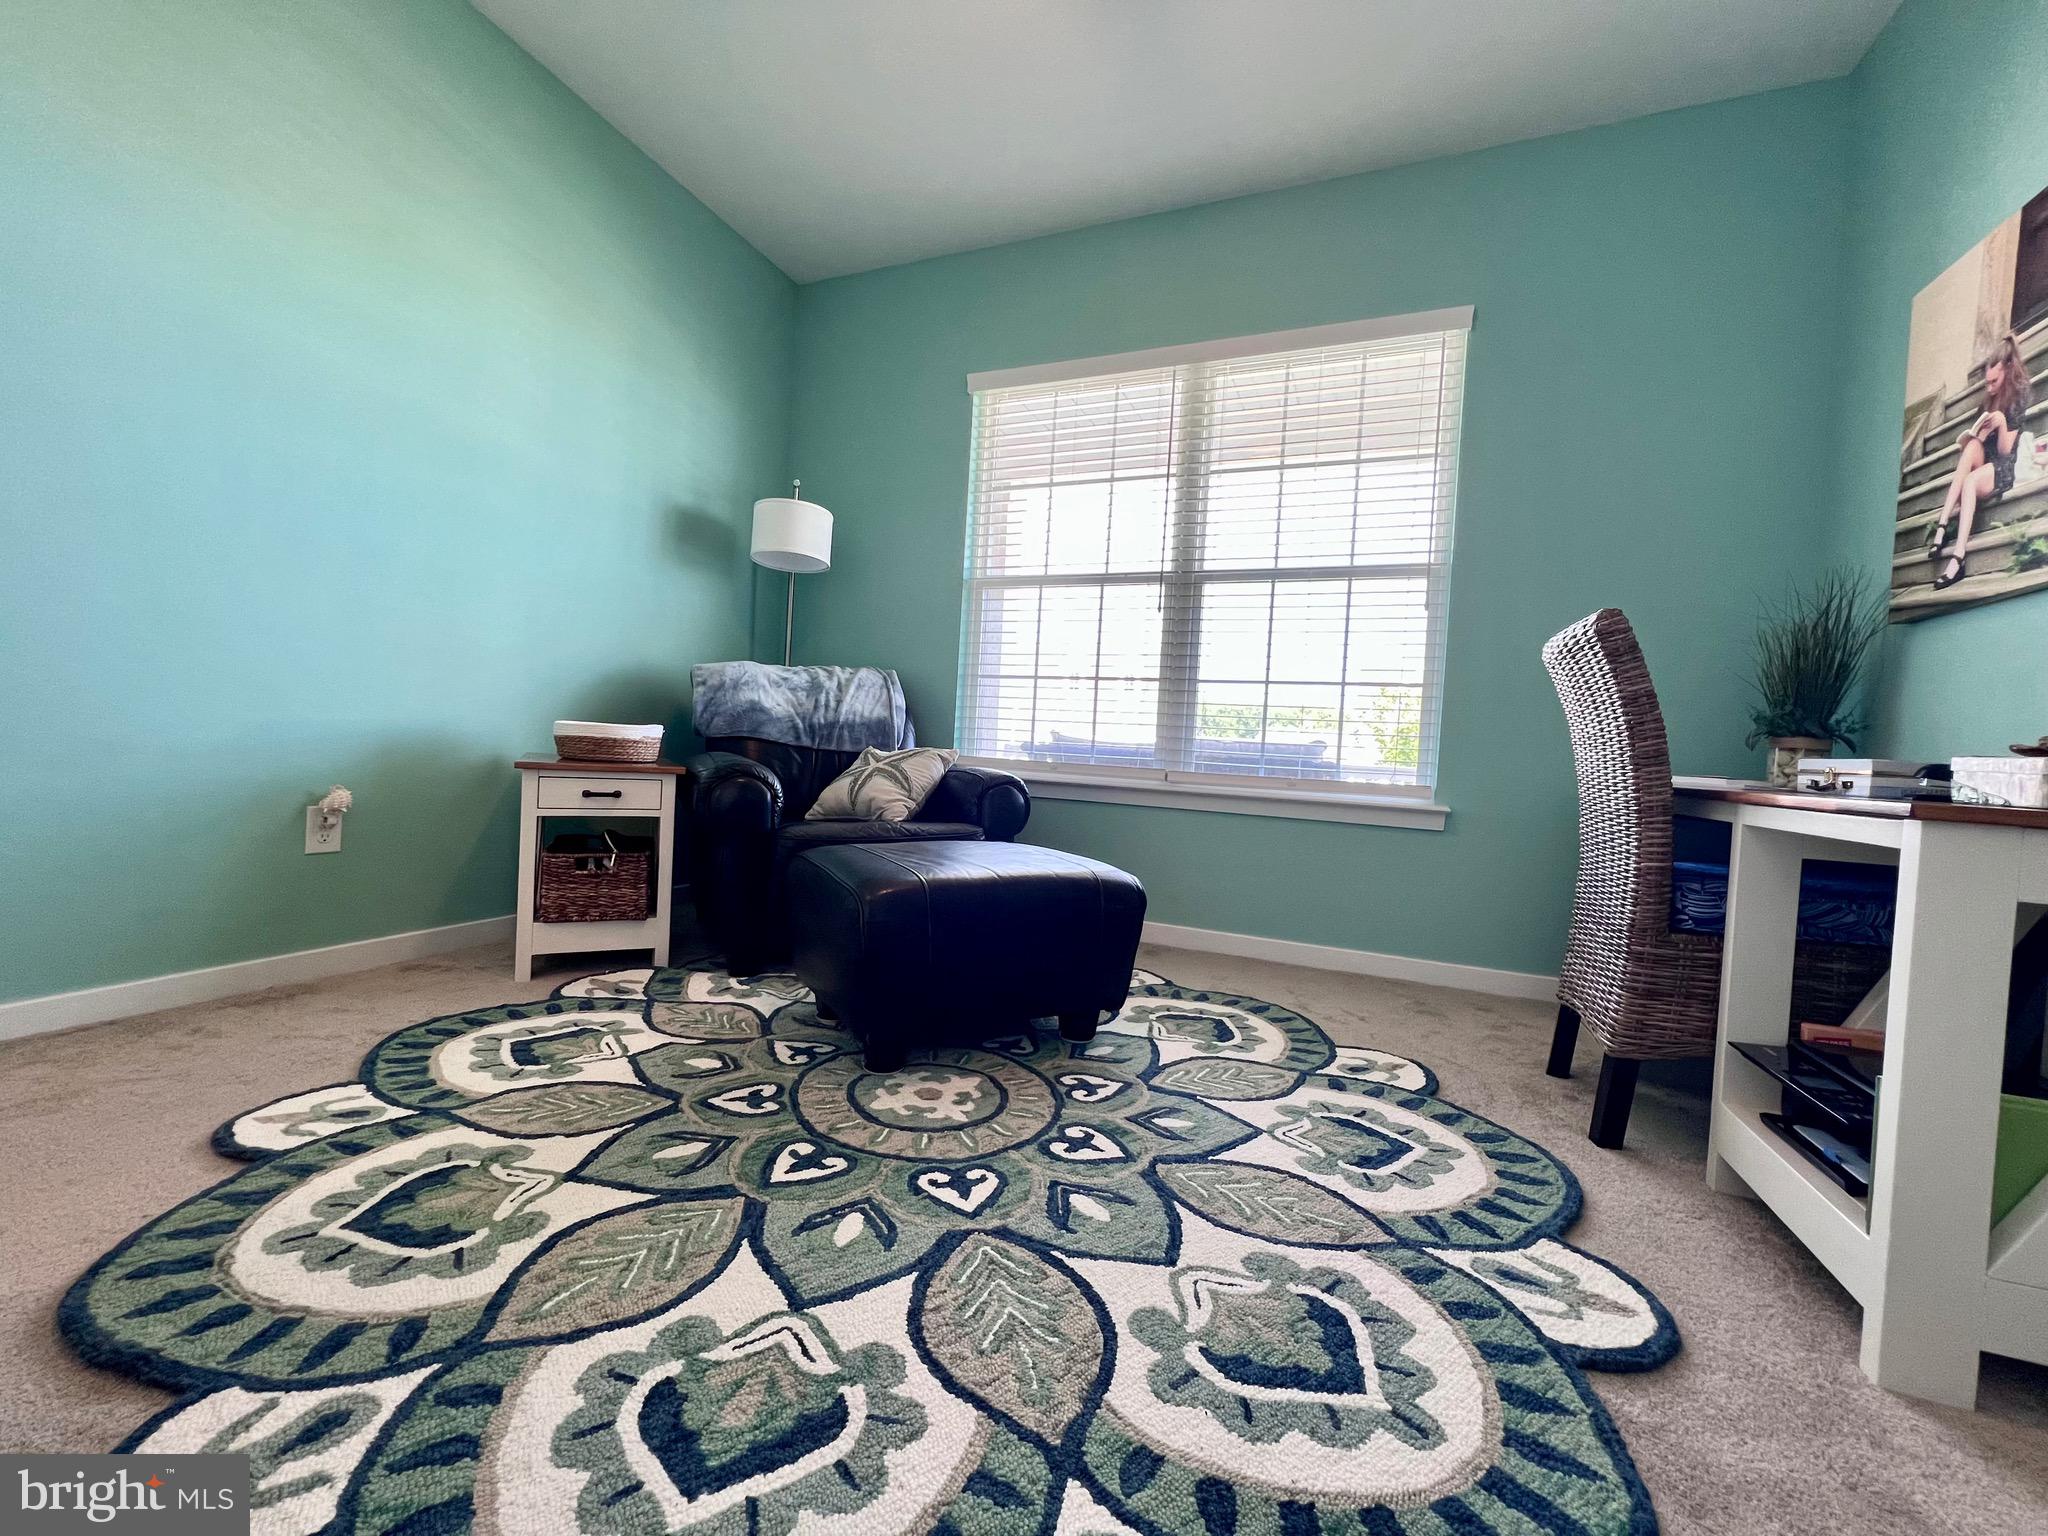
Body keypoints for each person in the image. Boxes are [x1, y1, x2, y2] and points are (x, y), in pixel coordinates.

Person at [1927, 330, 2033, 591]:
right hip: (1985, 460)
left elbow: (2006, 451)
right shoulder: (1989, 399)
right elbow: (1979, 444)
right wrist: (1978, 434)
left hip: (2003, 468)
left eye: (1993, 382)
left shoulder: (2019, 396)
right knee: (1972, 445)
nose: (1989, 387)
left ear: (2007, 371)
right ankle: (1942, 523)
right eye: (1987, 382)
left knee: (1971, 481)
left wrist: (2001, 422)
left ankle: (1958, 558)